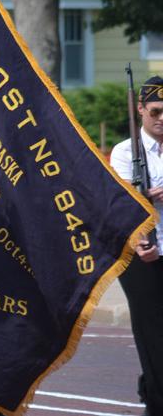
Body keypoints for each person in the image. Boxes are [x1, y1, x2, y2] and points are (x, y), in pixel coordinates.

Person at [111, 74, 163, 416]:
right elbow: (116, 203)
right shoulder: (124, 151)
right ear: (140, 109)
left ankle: (151, 390)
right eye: (155, 112)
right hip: (141, 254)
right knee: (153, 335)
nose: (161, 119)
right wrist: (143, 197)